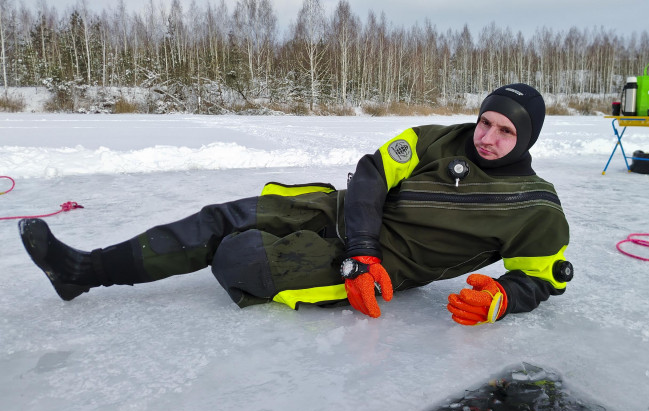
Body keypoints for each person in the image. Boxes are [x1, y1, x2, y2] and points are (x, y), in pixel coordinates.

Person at [19, 83, 572, 326]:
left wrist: (504, 299)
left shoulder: (534, 207)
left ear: (526, 139)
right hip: (341, 219)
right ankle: (83, 271)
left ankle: (261, 268)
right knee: (219, 219)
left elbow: (546, 277)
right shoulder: (437, 139)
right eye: (486, 121)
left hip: (388, 268)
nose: (488, 136)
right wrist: (360, 248)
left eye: (505, 130)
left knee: (235, 256)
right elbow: (373, 173)